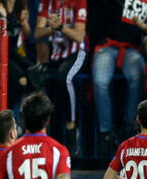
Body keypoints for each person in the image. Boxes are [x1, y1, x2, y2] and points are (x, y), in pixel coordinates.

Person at [91, 0, 145, 156]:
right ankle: (106, 132)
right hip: (107, 47)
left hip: (132, 49)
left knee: (137, 77)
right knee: (100, 81)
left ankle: (130, 127)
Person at [35, 0, 88, 156]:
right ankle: (52, 139)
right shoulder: (47, 3)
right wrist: (52, 28)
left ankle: (71, 126)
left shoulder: (79, 2)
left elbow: (79, 36)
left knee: (65, 78)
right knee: (48, 84)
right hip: (57, 54)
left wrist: (61, 27)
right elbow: (37, 32)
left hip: (77, 52)